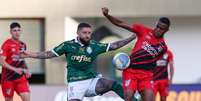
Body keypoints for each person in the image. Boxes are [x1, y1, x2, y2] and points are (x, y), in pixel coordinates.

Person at [21, 22, 136, 101]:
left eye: (89, 33)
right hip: (75, 83)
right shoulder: (67, 45)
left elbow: (114, 45)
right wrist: (29, 54)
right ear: (78, 33)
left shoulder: (94, 45)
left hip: (91, 81)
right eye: (84, 33)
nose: (87, 35)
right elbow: (48, 54)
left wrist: (132, 37)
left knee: (113, 84)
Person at [102, 7, 170, 101]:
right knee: (129, 97)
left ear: (166, 30)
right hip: (131, 71)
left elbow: (154, 61)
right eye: (157, 26)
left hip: (146, 75)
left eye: (162, 28)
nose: (158, 29)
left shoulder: (163, 47)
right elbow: (121, 23)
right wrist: (107, 15)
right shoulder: (143, 30)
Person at [0, 22, 31, 101]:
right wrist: (15, 69)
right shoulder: (6, 44)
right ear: (11, 32)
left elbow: (22, 59)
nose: (17, 32)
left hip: (21, 78)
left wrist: (27, 69)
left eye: (18, 30)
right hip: (8, 78)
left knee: (27, 98)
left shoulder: (23, 44)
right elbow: (2, 62)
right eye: (14, 30)